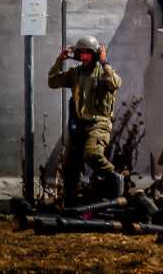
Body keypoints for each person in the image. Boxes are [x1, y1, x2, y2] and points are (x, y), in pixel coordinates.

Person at [48, 35, 124, 202]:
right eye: (81, 53)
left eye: (88, 53)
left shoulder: (103, 72)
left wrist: (105, 63)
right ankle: (70, 203)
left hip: (100, 123)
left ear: (95, 54)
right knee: (70, 166)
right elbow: (52, 81)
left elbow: (115, 83)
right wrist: (60, 59)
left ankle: (114, 179)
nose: (84, 56)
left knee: (92, 154)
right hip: (80, 124)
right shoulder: (76, 73)